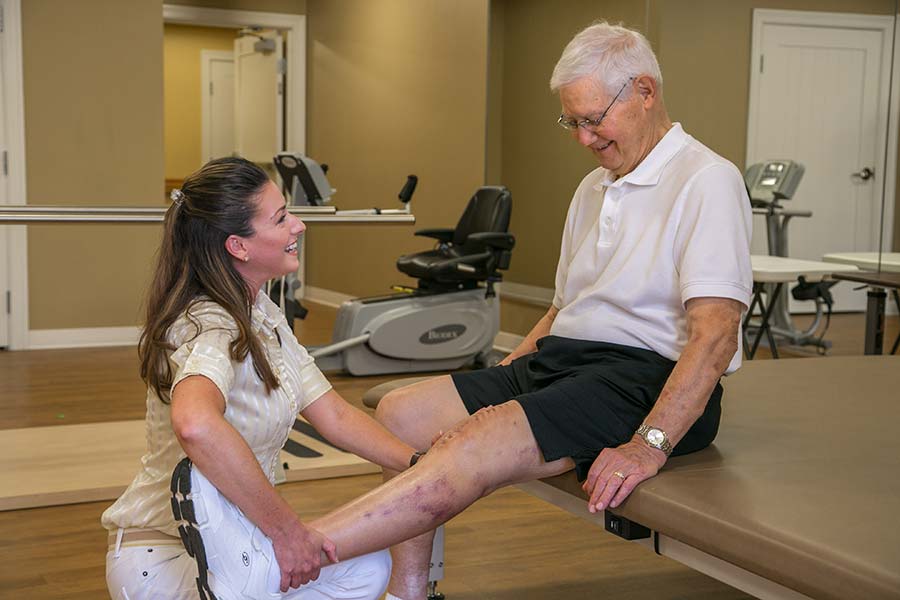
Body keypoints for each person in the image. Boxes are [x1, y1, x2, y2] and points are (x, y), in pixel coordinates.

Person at [293, 21, 754, 600]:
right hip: (564, 361)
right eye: (574, 122)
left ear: (644, 91)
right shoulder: (593, 188)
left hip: (640, 378)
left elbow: (715, 335)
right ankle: (408, 594)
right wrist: (508, 378)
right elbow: (563, 307)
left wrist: (648, 444)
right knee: (400, 411)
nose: (584, 138)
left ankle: (290, 553)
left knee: (476, 439)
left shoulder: (707, 180)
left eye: (594, 119)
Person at [102, 157, 419, 600]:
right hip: (161, 560)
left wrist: (422, 464)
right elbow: (194, 423)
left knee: (368, 566)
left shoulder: (261, 314)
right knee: (310, 553)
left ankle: (244, 578)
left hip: (232, 549)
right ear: (239, 246)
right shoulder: (209, 324)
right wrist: (287, 532)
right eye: (282, 217)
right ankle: (237, 580)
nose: (299, 226)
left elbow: (334, 416)